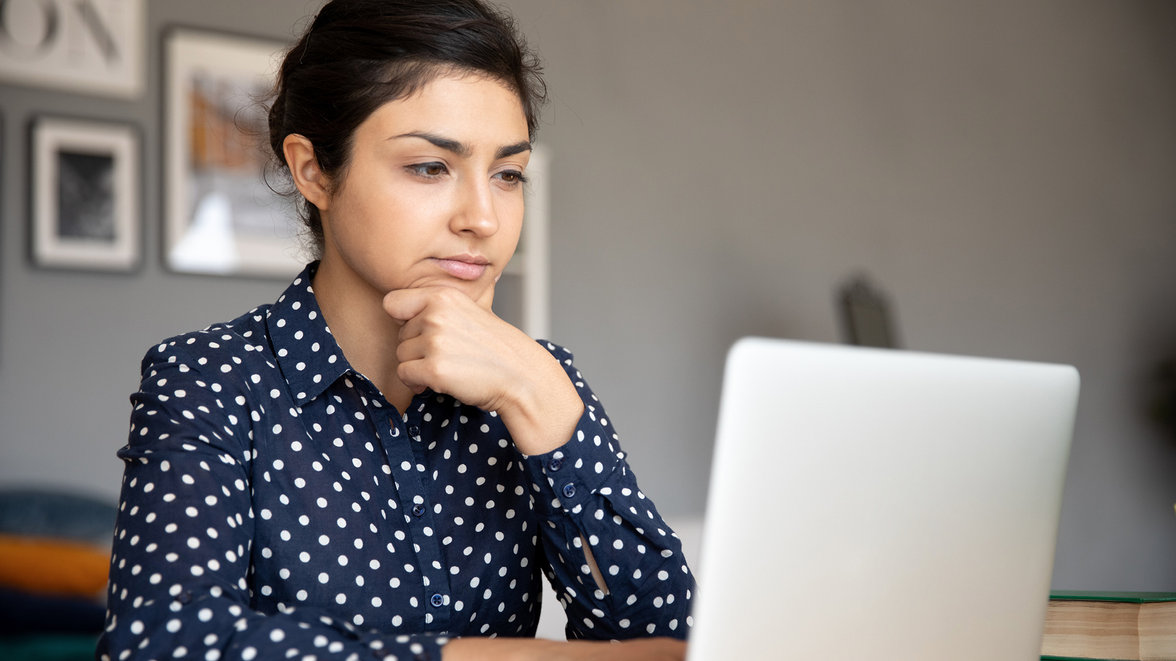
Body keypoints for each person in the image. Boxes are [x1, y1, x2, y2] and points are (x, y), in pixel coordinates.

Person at [97, 1, 695, 659]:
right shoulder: (210, 377)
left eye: (508, 174)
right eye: (430, 166)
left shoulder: (532, 374)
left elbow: (668, 640)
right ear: (313, 170)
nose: (483, 218)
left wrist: (536, 394)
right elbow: (160, 645)